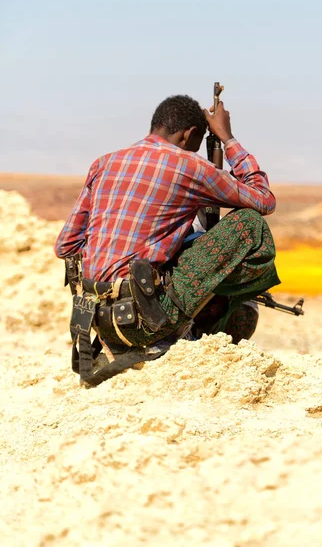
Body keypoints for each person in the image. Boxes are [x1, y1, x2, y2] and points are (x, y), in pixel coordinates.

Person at [55, 94, 280, 385]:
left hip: (95, 321)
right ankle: (192, 331)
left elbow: (66, 245)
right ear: (190, 134)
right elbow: (263, 200)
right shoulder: (189, 166)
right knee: (249, 224)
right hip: (145, 323)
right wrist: (227, 137)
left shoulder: (105, 163)